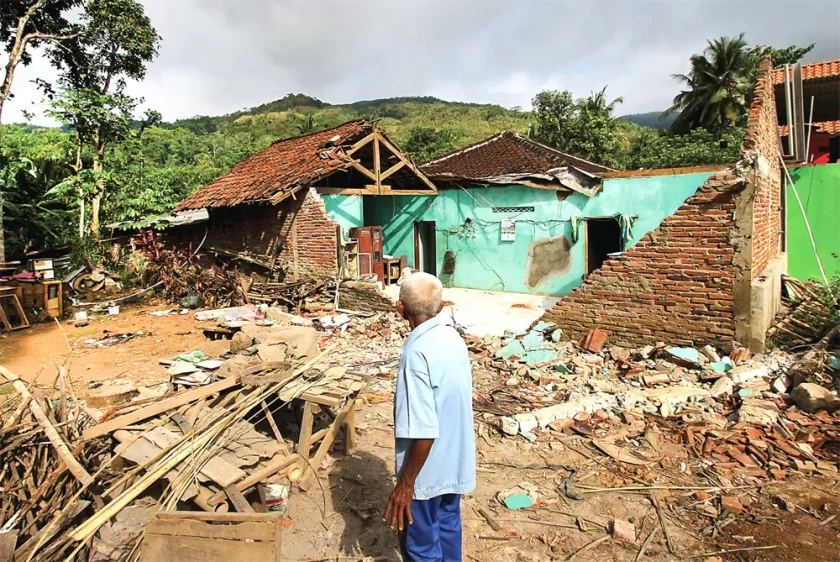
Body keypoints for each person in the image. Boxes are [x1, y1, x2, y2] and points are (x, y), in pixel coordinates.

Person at [384, 272, 476, 562]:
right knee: (448, 527)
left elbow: (424, 429)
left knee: (421, 548)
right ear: (441, 305)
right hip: (454, 463)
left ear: (401, 309)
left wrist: (406, 483)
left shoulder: (416, 353)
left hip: (426, 471)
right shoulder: (453, 338)